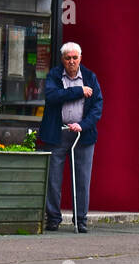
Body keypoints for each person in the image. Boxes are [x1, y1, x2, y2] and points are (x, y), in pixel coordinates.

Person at [39, 41, 102, 233]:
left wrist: (81, 125)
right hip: (57, 133)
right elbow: (51, 96)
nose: (72, 61)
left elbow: (97, 108)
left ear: (80, 58)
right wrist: (78, 91)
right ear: (62, 60)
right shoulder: (54, 75)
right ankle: (53, 219)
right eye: (68, 58)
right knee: (53, 179)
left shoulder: (90, 77)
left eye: (75, 57)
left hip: (82, 136)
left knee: (82, 179)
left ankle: (81, 220)